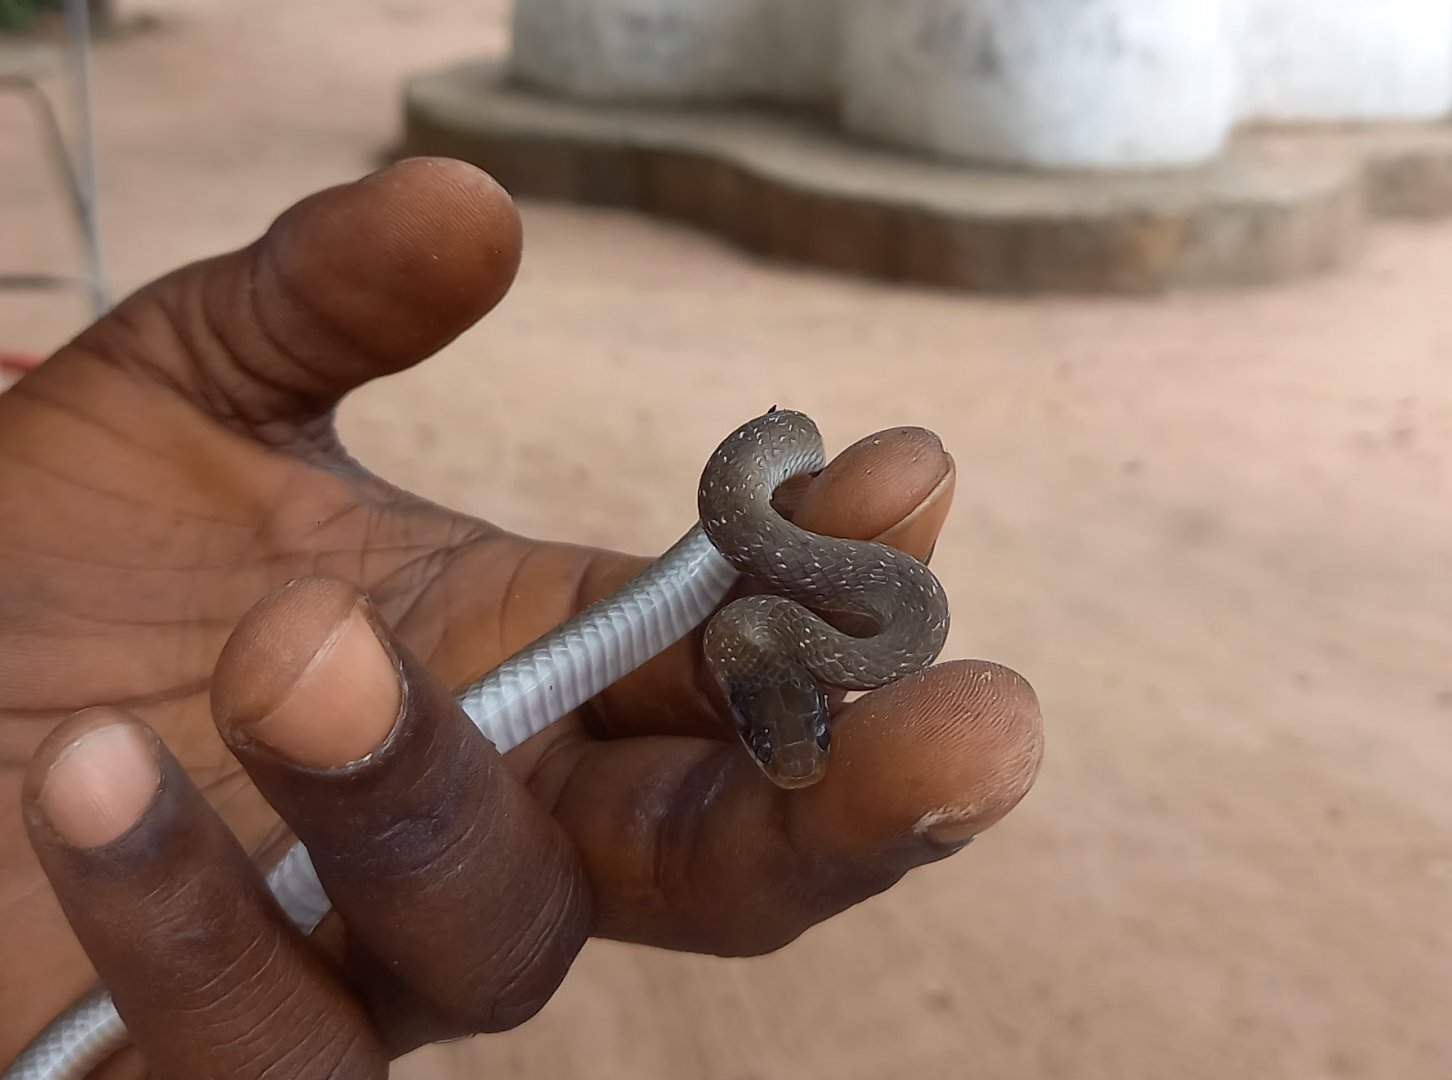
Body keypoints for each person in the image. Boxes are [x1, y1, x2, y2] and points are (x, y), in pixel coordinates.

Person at [0, 158, 1043, 1077]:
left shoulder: (849, 607)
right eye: (788, 731)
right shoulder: (798, 602)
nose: (795, 748)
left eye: (797, 729)